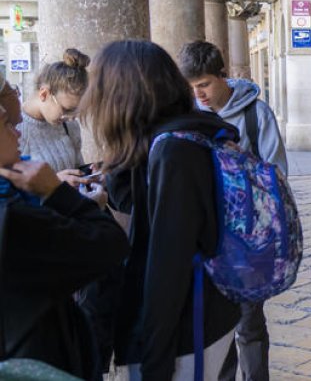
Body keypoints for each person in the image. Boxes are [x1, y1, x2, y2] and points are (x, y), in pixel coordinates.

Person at [84, 41, 241, 381]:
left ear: (122, 95)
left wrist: (154, 359)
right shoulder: (180, 134)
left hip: (186, 329)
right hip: (201, 315)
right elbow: (140, 205)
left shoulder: (174, 151)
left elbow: (168, 263)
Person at [0, 82, 129, 381]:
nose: (18, 134)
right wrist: (57, 193)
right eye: (6, 125)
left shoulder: (17, 203)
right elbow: (110, 244)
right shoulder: (14, 218)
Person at [178, 40, 288, 381]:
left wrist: (238, 164)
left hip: (246, 241)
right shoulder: (187, 117)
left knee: (249, 323)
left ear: (222, 76)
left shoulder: (256, 114)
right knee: (214, 331)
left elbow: (277, 176)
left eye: (204, 84)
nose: (199, 94)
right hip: (202, 240)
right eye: (192, 87)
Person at [18, 48, 88, 176]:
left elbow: (77, 168)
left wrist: (89, 173)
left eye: (76, 111)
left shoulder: (70, 126)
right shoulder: (13, 129)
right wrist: (55, 183)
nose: (72, 117)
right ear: (44, 94)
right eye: (67, 109)